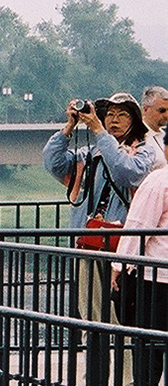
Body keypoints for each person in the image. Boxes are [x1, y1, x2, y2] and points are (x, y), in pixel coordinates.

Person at [43, 92, 159, 319]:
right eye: (109, 114)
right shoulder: (89, 154)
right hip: (89, 244)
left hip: (124, 250)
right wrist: (69, 127)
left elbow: (126, 172)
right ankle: (97, 355)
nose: (114, 119)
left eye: (122, 115)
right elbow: (53, 163)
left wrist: (99, 132)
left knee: (121, 315)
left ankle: (120, 355)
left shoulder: (144, 152)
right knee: (91, 315)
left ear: (134, 121)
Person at [114, 163, 168, 386]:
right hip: (158, 273)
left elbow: (138, 226)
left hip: (155, 274)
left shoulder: (158, 181)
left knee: (148, 338)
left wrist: (120, 266)